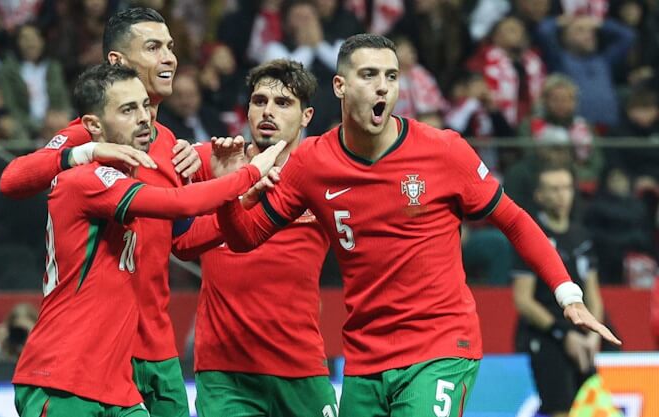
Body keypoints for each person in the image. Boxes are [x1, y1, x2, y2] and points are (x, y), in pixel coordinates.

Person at [215, 34, 620, 417]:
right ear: (339, 86)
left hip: (440, 346)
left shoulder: (443, 151)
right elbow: (245, 236)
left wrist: (568, 294)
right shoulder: (312, 164)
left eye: (391, 77)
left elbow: (513, 220)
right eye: (368, 75)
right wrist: (228, 190)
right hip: (365, 356)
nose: (383, 87)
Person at [12, 63, 286, 417]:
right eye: (129, 110)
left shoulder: (141, 168)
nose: (144, 118)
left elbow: (181, 237)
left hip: (116, 385)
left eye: (145, 106)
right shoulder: (86, 180)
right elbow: (180, 203)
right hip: (63, 377)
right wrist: (250, 171)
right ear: (94, 125)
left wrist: (239, 202)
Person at [0, 8, 202, 416]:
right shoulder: (89, 134)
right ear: (118, 62)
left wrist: (216, 187)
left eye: (170, 47)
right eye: (153, 47)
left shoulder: (170, 143)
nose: (168, 58)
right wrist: (81, 152)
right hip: (106, 354)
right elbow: (12, 178)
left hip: (159, 351)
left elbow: (182, 241)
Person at [174, 59, 338, 416]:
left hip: (301, 368)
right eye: (259, 101)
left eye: (283, 103)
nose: (268, 111)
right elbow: (181, 245)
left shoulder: (324, 178)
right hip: (224, 373)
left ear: (306, 115)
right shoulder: (210, 161)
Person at [512, 164, 607, 417]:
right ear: (539, 195)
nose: (561, 195)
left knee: (591, 410)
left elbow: (593, 293)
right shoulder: (531, 236)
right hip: (548, 338)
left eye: (566, 187)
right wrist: (562, 333)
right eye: (553, 189)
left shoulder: (582, 236)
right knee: (560, 411)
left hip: (581, 337)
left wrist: (592, 335)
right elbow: (523, 300)